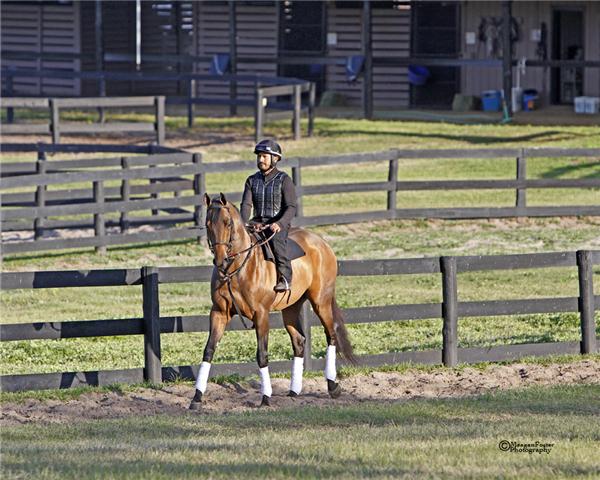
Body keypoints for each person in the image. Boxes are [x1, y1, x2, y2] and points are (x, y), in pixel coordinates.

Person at [241, 139, 297, 292]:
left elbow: (291, 207)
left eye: (264, 156)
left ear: (276, 158)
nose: (260, 160)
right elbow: (246, 205)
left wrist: (280, 223)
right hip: (257, 223)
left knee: (278, 245)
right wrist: (243, 223)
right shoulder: (251, 180)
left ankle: (285, 278)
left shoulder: (284, 180)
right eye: (259, 156)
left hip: (277, 225)